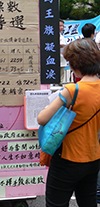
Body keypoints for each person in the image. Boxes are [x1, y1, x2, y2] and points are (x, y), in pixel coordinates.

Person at [37, 38, 100, 207]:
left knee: (56, 203)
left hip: (67, 159)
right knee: (88, 203)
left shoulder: (73, 90)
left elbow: (42, 118)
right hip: (93, 158)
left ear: (75, 65)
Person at [59, 19, 67, 85]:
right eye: (60, 26)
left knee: (61, 79)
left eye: (62, 26)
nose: (61, 27)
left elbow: (62, 45)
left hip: (61, 58)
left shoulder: (61, 36)